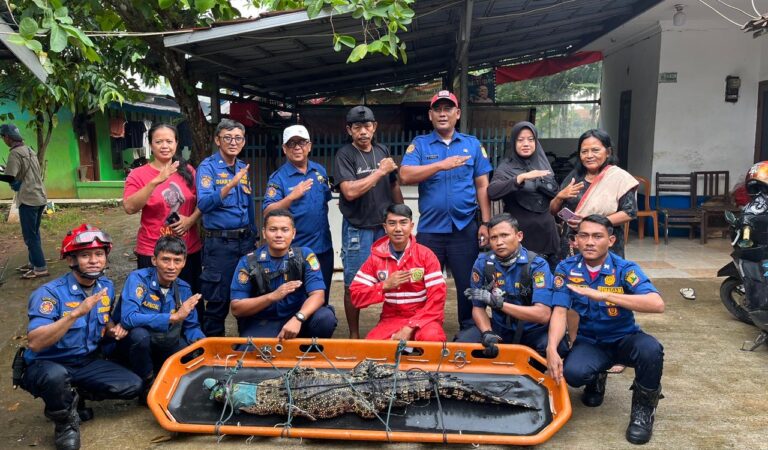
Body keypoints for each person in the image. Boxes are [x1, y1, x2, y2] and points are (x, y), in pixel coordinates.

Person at [18, 224, 141, 450]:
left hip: (85, 361)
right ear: (71, 260)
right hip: (48, 363)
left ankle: (73, 396)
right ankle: (65, 423)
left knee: (132, 385)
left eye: (99, 254)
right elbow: (35, 342)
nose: (94, 260)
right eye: (85, 255)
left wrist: (112, 329)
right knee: (55, 376)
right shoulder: (49, 294)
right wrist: (75, 314)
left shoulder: (105, 286)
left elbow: (104, 318)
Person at [546, 215, 665, 445]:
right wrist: (551, 348)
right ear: (575, 241)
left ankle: (643, 412)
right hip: (590, 342)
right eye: (584, 236)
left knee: (651, 350)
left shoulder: (624, 268)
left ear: (611, 241)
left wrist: (606, 295)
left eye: (597, 236)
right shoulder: (566, 268)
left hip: (623, 338)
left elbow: (657, 304)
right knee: (574, 373)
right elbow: (560, 311)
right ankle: (597, 378)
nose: (590, 242)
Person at [400, 90, 492, 331]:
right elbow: (405, 174)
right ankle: (424, 329)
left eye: (448, 109)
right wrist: (441, 165)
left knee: (468, 283)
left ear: (457, 113)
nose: (443, 114)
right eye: (438, 110)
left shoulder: (472, 144)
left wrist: (486, 223)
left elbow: (482, 185)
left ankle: (469, 329)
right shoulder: (420, 145)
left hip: (464, 227)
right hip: (431, 229)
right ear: (430, 115)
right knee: (423, 284)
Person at [334, 105, 404, 338]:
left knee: (394, 279)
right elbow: (349, 192)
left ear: (374, 127)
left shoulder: (382, 150)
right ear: (349, 130)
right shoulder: (345, 154)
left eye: (367, 126)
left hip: (384, 229)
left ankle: (392, 326)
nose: (363, 131)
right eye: (357, 127)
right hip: (358, 229)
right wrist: (379, 172)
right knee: (353, 284)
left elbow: (393, 184)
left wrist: (402, 215)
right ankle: (354, 335)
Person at [456, 213, 567, 356]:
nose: (499, 242)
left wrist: (498, 303)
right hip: (500, 329)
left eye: (504, 235)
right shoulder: (483, 263)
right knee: (462, 344)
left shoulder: (537, 265)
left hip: (533, 331)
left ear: (519, 236)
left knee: (556, 347)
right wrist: (487, 332)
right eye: (494, 237)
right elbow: (478, 308)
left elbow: (543, 314)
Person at [123, 123, 203, 319]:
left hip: (187, 250)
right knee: (153, 303)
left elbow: (203, 202)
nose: (165, 146)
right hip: (152, 250)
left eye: (169, 141)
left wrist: (190, 220)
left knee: (191, 303)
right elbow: (130, 207)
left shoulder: (189, 171)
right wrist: (156, 181)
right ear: (151, 144)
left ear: (176, 144)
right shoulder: (138, 174)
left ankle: (192, 337)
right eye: (159, 142)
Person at [114, 236, 204, 399]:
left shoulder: (183, 288)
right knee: (139, 336)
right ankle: (147, 385)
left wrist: (203, 346)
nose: (171, 266)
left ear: (184, 262)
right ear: (154, 260)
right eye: (165, 260)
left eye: (177, 261)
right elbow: (128, 318)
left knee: (188, 350)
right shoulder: (138, 279)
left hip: (164, 342)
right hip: (135, 347)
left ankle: (165, 378)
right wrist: (172, 318)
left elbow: (192, 326)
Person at [230, 209, 337, 339]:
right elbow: (236, 308)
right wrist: (272, 297)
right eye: (273, 229)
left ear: (293, 233)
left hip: (298, 319)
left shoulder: (304, 255)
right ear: (264, 233)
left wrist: (298, 318)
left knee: (325, 318)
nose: (279, 235)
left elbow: (318, 296)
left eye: (285, 230)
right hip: (264, 321)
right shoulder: (248, 262)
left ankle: (310, 350)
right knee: (253, 349)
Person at [350, 204, 446, 341]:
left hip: (424, 319)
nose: (398, 229)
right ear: (385, 227)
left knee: (432, 338)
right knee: (371, 348)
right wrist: (384, 286)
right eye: (392, 223)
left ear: (411, 226)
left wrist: (410, 326)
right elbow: (355, 296)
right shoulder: (376, 258)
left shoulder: (426, 255)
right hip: (392, 318)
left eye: (403, 223)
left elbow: (437, 299)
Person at [196, 119, 257, 337]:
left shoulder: (242, 167)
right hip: (220, 244)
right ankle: (214, 350)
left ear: (243, 142)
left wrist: (254, 236)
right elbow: (203, 204)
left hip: (245, 242)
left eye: (238, 138)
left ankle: (246, 346)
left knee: (248, 297)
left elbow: (248, 206)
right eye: (227, 138)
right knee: (218, 302)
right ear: (217, 140)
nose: (233, 142)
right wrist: (230, 185)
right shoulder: (208, 167)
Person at [263, 125, 334, 305]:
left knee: (321, 298)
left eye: (301, 142)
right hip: (295, 252)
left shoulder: (319, 171)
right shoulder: (278, 178)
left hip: (323, 248)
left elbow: (325, 201)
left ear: (309, 146)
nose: (297, 147)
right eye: (291, 143)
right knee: (295, 301)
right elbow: (267, 212)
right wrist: (291, 197)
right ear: (284, 149)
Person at [550, 129, 638, 260]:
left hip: (605, 245)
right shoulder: (574, 176)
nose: (589, 155)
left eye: (595, 150)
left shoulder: (619, 177)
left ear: (608, 152)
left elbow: (630, 212)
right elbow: (553, 211)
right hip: (572, 245)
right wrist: (559, 197)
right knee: (573, 273)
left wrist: (590, 223)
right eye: (584, 151)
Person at [488, 122, 560, 268]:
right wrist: (520, 178)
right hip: (521, 239)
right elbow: (492, 191)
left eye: (530, 139)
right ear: (514, 143)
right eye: (520, 140)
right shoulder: (506, 167)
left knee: (548, 279)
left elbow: (553, 194)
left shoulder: (543, 163)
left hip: (547, 237)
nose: (526, 144)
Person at [0, 123, 48, 279]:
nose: (3, 140)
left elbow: (9, 177)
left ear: (8, 137)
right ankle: (33, 263)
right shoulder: (29, 150)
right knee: (34, 233)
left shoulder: (15, 153)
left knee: (30, 236)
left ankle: (40, 268)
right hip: (40, 196)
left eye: (3, 137)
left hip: (28, 199)